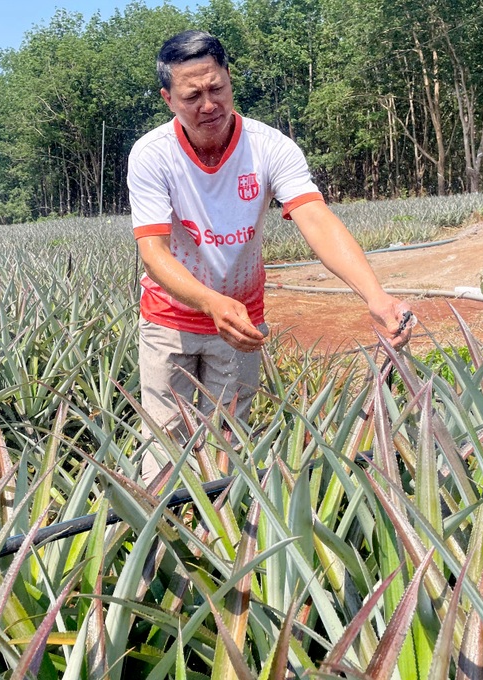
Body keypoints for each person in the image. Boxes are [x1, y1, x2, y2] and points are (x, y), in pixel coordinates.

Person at [128, 30, 413, 482]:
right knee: (164, 447)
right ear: (168, 99)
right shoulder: (152, 154)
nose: (208, 104)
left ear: (229, 80)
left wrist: (376, 297)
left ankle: (224, 536)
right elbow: (153, 252)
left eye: (217, 88)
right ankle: (166, 539)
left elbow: (316, 220)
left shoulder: (268, 146)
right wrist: (211, 303)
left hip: (243, 322)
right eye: (192, 95)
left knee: (229, 444)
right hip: (170, 321)